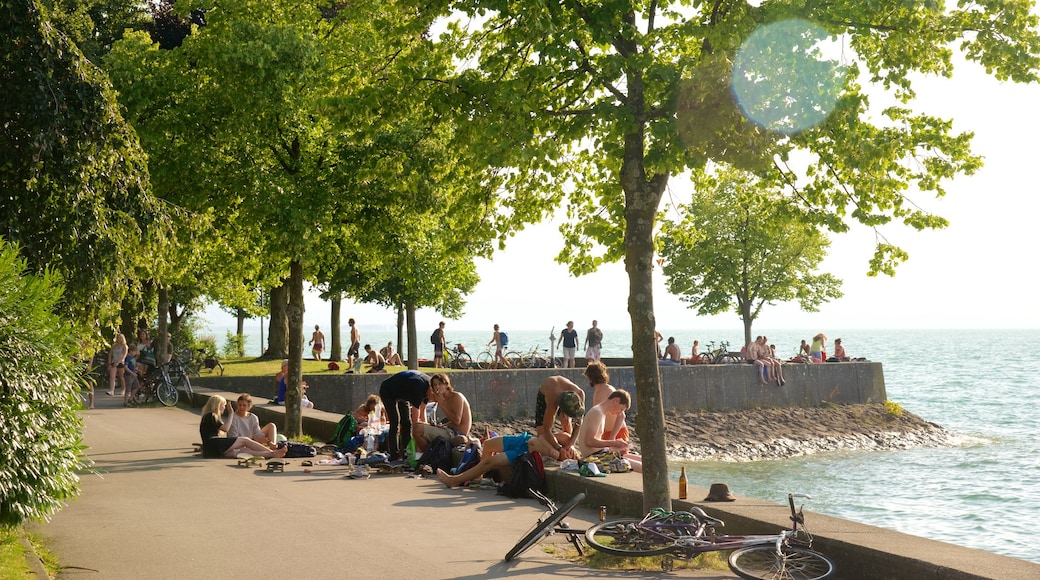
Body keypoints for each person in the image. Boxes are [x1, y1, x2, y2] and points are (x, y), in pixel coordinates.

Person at [435, 432, 564, 489]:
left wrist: (555, 451)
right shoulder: (561, 436)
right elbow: (542, 435)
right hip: (523, 439)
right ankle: (478, 478)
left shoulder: (564, 447)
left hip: (524, 451)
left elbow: (540, 445)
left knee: (488, 463)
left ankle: (454, 480)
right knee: (488, 444)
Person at [198, 396, 287, 460]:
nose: (224, 408)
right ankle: (272, 452)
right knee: (244, 440)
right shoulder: (211, 415)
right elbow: (226, 429)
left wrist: (266, 441)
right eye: (223, 405)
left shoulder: (209, 416)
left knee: (243, 451)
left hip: (210, 450)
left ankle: (271, 455)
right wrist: (231, 414)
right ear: (218, 405)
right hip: (213, 445)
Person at [575, 390, 642, 472]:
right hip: (595, 457)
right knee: (640, 467)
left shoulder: (601, 413)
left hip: (601, 454)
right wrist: (613, 443)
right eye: (621, 409)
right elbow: (589, 441)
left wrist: (615, 446)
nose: (619, 413)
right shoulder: (597, 413)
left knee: (643, 460)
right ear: (616, 401)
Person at [378, 370, 434, 460]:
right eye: (433, 398)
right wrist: (418, 439)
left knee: (407, 423)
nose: (433, 400)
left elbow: (423, 411)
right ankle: (394, 454)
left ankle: (406, 451)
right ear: (431, 390)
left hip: (404, 392)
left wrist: (425, 430)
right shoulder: (419, 388)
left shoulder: (430, 388)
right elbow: (416, 420)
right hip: (387, 390)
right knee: (395, 421)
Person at [413, 373, 472, 452]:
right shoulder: (443, 398)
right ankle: (429, 454)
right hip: (450, 430)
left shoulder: (456, 396)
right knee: (418, 425)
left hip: (457, 433)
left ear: (446, 385)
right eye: (435, 385)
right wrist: (443, 425)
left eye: (440, 384)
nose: (437, 387)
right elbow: (425, 402)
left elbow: (457, 421)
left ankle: (429, 456)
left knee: (417, 429)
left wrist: (442, 404)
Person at [535, 376, 586, 460]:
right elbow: (546, 429)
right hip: (548, 392)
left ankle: (567, 449)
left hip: (564, 394)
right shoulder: (552, 398)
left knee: (566, 425)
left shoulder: (580, 394)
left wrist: (571, 444)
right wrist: (558, 448)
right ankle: (560, 449)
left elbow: (579, 421)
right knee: (542, 436)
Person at [585, 361, 628, 441]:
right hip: (605, 432)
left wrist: (612, 436)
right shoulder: (597, 391)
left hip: (617, 432)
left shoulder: (609, 390)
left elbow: (621, 415)